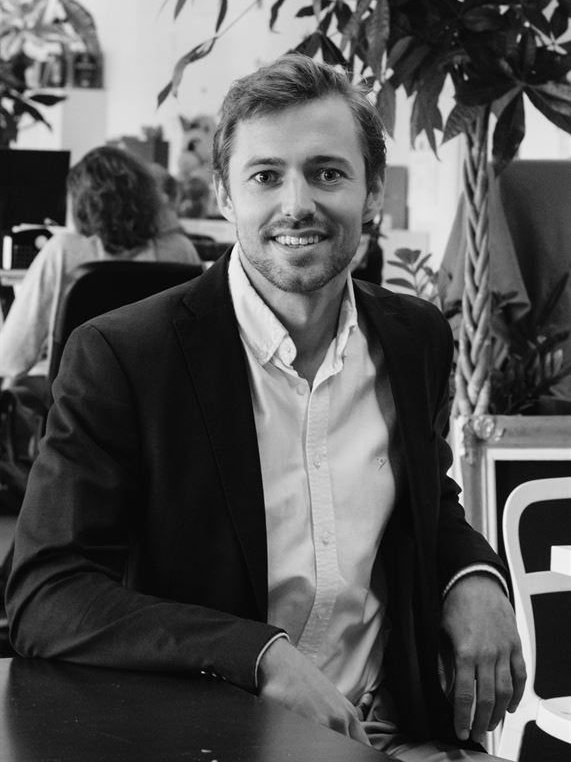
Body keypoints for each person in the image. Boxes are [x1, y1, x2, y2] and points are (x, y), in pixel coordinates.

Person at [5, 56, 525, 761]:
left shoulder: (415, 337)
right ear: (225, 194)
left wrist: (474, 578)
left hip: (385, 731)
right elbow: (47, 593)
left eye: (327, 173)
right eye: (265, 176)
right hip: (211, 739)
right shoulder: (124, 357)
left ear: (371, 191)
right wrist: (258, 655)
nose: (296, 203)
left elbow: (426, 502)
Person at [0, 145, 201, 388]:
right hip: (160, 403)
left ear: (80, 202)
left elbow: (11, 358)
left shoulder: (63, 250)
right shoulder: (180, 250)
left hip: (78, 403)